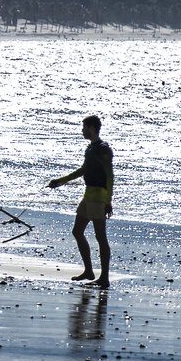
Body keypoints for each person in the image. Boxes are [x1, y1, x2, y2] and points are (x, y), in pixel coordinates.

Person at [48, 115, 113, 288]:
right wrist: (60, 181)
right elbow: (84, 170)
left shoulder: (103, 149)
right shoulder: (90, 148)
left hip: (99, 196)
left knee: (101, 237)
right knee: (77, 231)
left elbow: (110, 176)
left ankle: (104, 277)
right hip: (88, 195)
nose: (82, 130)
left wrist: (108, 201)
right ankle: (89, 271)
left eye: (84, 127)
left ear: (91, 128)